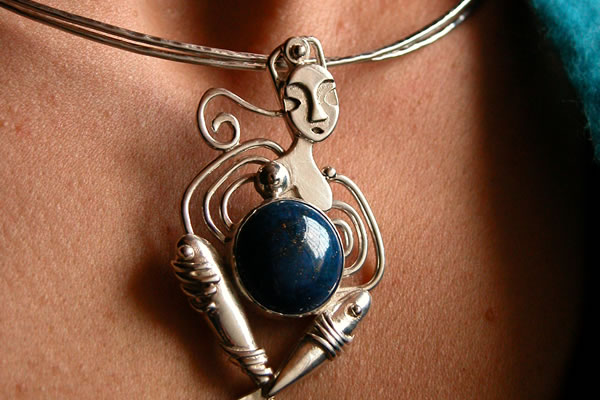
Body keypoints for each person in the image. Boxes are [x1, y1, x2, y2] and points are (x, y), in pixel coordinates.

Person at [0, 0, 592, 398]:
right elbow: (205, 209)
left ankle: (269, 381)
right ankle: (258, 368)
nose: (317, 111)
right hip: (258, 275)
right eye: (300, 100)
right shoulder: (264, 167)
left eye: (325, 93)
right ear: (283, 102)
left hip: (313, 286)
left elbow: (365, 262)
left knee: (356, 299)